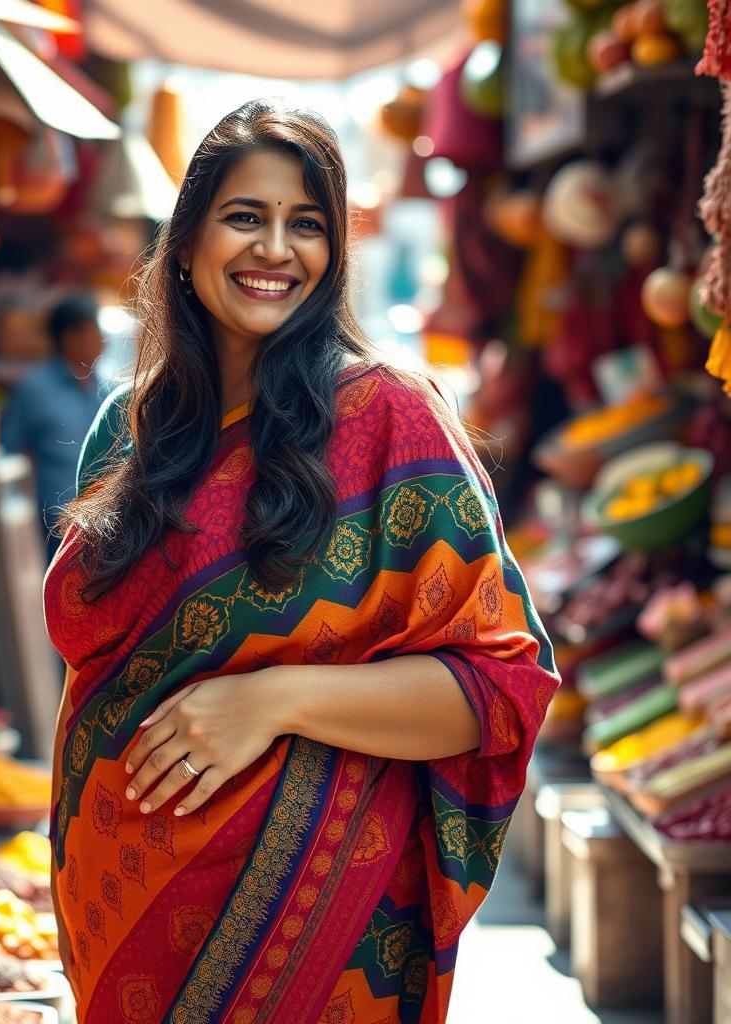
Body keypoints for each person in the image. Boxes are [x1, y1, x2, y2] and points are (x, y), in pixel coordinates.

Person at [44, 101, 559, 1024]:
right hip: (120, 916)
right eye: (246, 215)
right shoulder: (128, 427)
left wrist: (270, 700)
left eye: (307, 223)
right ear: (190, 236)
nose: (275, 248)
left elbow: (499, 688)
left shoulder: (389, 419)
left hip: (319, 934)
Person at [0, 292, 106, 557]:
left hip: (105, 530)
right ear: (70, 338)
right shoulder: (33, 390)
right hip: (50, 533)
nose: (101, 341)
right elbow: (7, 454)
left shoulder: (107, 391)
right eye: (94, 332)